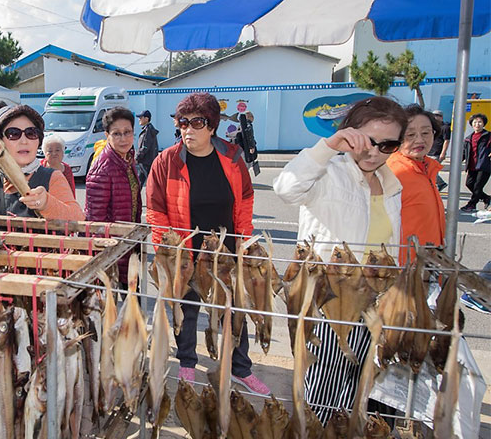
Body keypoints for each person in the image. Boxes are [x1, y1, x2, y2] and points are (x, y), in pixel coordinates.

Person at [273, 96, 406, 425]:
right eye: (366, 141)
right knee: (319, 391)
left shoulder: (392, 185)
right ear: (350, 134)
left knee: (356, 389)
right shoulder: (329, 173)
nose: (374, 152)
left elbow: (389, 245)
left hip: (373, 306)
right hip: (327, 303)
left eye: (387, 145)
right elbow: (286, 188)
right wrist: (328, 146)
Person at [146, 92, 266, 392]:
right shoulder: (166, 161)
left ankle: (241, 368)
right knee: (186, 311)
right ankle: (186, 361)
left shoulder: (233, 156)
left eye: (196, 122)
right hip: (185, 252)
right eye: (182, 122)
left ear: (211, 126)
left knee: (234, 310)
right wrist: (169, 250)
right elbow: (155, 208)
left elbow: (246, 199)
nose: (188, 129)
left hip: (226, 251)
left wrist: (244, 239)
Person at [0, 105, 83, 220]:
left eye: (31, 133)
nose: (24, 141)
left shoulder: (53, 178)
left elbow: (78, 218)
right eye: (13, 133)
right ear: (0, 141)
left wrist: (47, 203)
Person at [86, 107, 141, 284]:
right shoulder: (103, 168)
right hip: (113, 254)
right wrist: (104, 260)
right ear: (106, 135)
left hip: (128, 245)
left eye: (127, 132)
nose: (123, 139)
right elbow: (95, 221)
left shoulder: (127, 158)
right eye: (116, 134)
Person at [386, 104, 445, 263]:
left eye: (426, 133)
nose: (420, 140)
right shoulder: (393, 172)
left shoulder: (427, 167)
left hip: (428, 262)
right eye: (410, 134)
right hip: (404, 268)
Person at [460, 113, 491, 212]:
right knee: (469, 184)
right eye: (475, 122)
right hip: (472, 166)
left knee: (478, 186)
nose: (477, 124)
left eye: (480, 122)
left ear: (484, 124)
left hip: (484, 165)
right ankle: (486, 198)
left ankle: (472, 204)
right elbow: (464, 152)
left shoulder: (488, 136)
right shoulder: (468, 138)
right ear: (472, 124)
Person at [135, 110, 159, 185]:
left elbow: (144, 147)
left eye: (141, 117)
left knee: (151, 183)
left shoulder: (148, 131)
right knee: (139, 182)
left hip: (146, 162)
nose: (139, 119)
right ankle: (135, 196)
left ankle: (155, 196)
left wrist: (137, 158)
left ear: (146, 119)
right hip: (145, 162)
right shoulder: (147, 129)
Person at [427, 110, 450, 191]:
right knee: (428, 170)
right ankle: (436, 184)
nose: (435, 117)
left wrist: (443, 153)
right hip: (429, 152)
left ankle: (440, 183)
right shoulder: (432, 126)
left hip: (437, 153)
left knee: (432, 170)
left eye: (437, 115)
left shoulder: (445, 127)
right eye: (434, 115)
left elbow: (446, 141)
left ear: (441, 117)